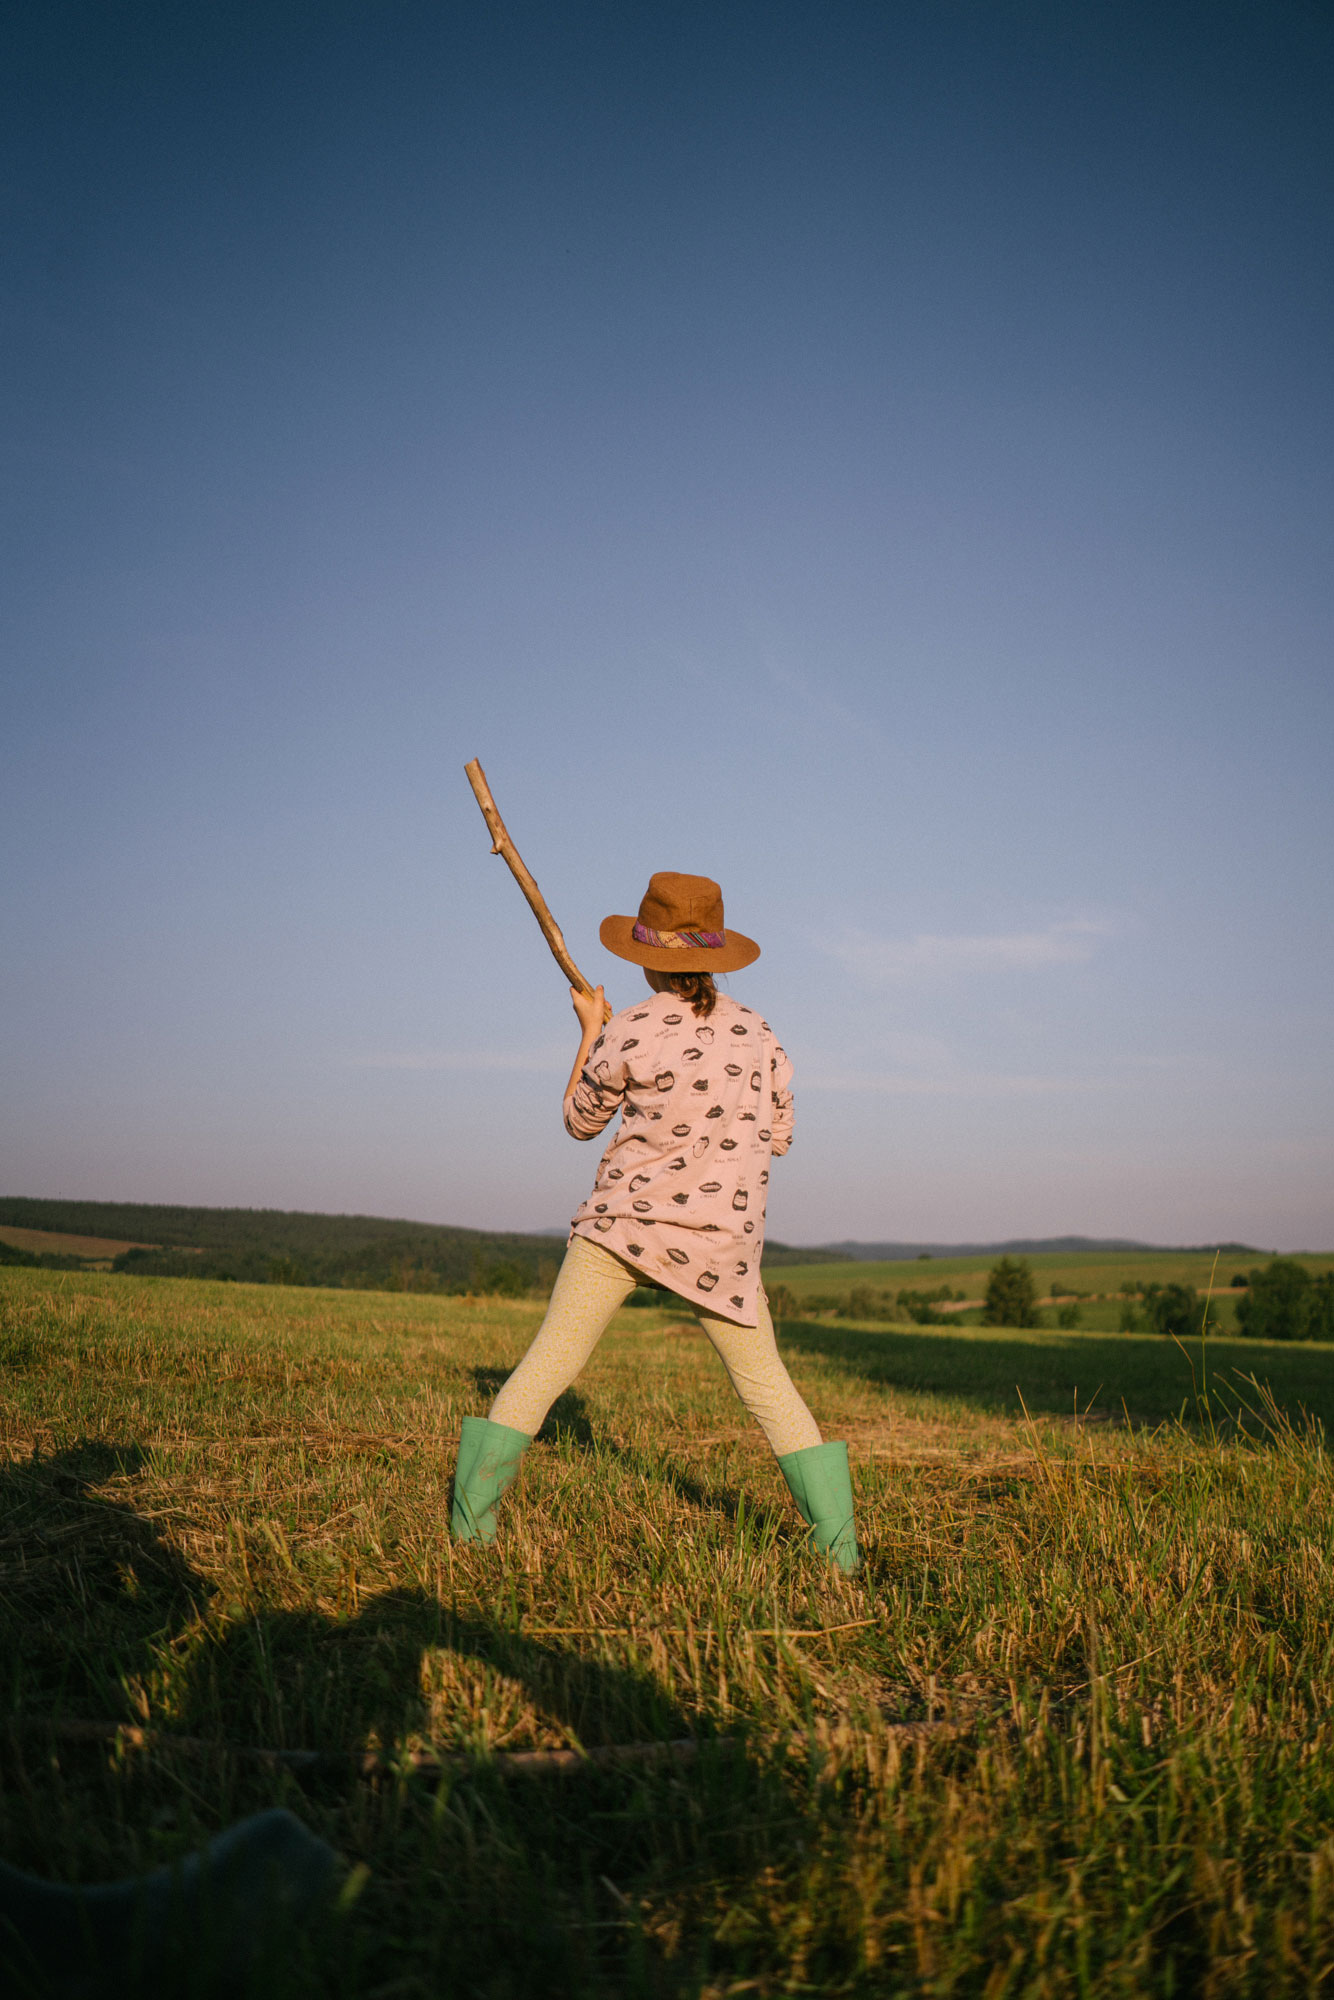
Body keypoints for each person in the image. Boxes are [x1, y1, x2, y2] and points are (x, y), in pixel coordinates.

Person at [449, 872, 858, 1571]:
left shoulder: (631, 1028)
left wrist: (591, 1031)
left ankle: (469, 1529)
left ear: (647, 959)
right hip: (721, 1244)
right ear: (714, 955)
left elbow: (580, 1122)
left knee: (548, 1364)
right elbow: (781, 1135)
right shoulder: (760, 1033)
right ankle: (841, 1551)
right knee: (768, 1387)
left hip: (621, 1231)